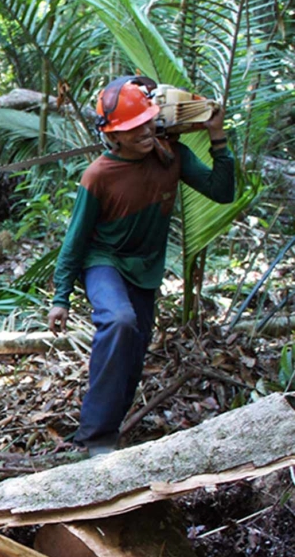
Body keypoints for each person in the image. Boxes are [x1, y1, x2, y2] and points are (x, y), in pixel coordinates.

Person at [47, 76, 236, 456]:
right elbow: (76, 240)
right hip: (103, 261)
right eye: (134, 128)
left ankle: (110, 430)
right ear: (113, 136)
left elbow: (222, 191)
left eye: (148, 122)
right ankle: (93, 438)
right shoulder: (98, 175)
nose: (145, 131)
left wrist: (217, 137)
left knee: (134, 349)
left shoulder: (171, 156)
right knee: (119, 321)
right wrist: (60, 297)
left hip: (145, 269)